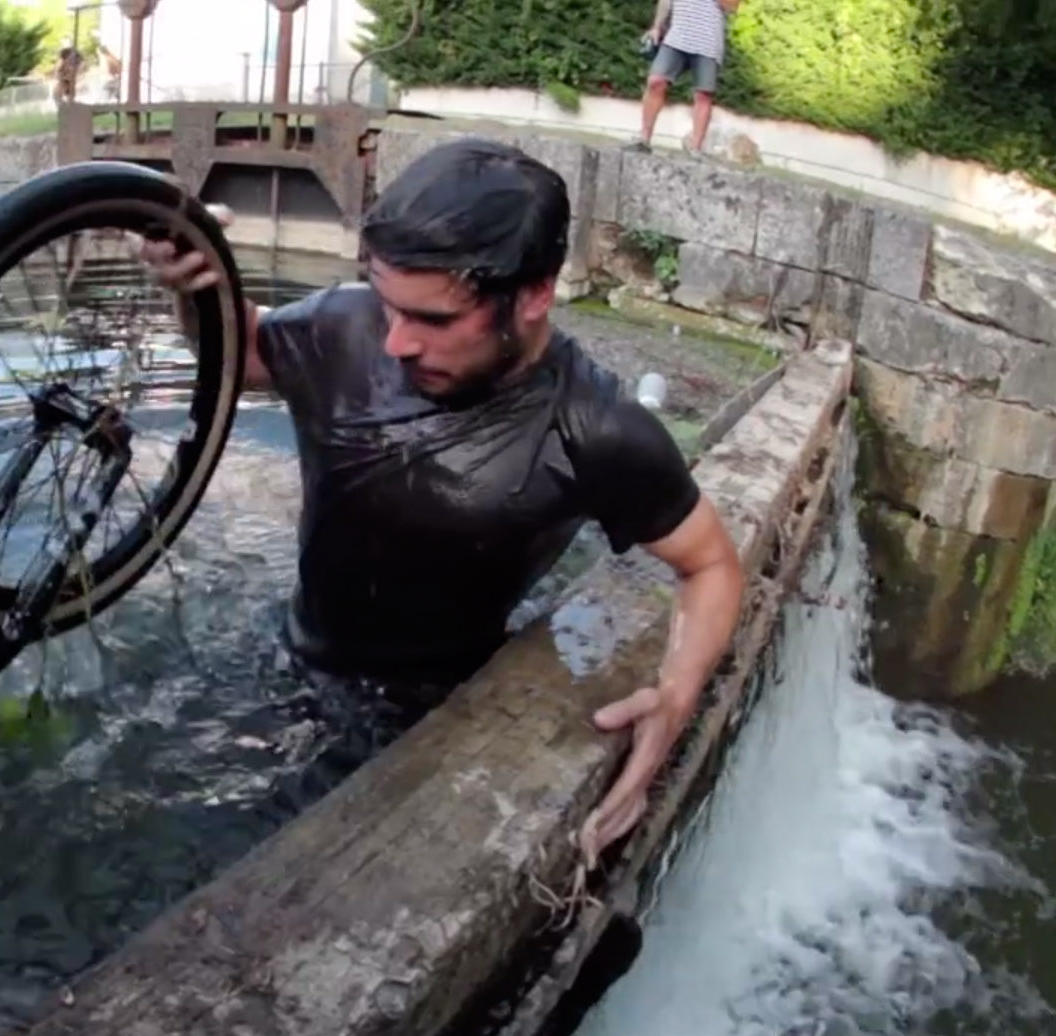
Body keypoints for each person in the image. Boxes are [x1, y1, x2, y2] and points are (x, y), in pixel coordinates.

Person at [141, 138, 744, 855]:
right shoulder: (348, 325)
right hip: (291, 658)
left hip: (432, 716)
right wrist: (195, 289)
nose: (395, 342)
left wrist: (674, 698)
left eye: (431, 321)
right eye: (388, 306)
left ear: (533, 296)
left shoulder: (594, 428)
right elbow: (239, 354)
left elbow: (710, 566)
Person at [637, 0, 742, 153]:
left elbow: (733, 6)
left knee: (704, 94)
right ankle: (644, 138)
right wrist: (657, 27)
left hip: (708, 42)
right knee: (656, 81)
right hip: (677, 37)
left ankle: (696, 148)